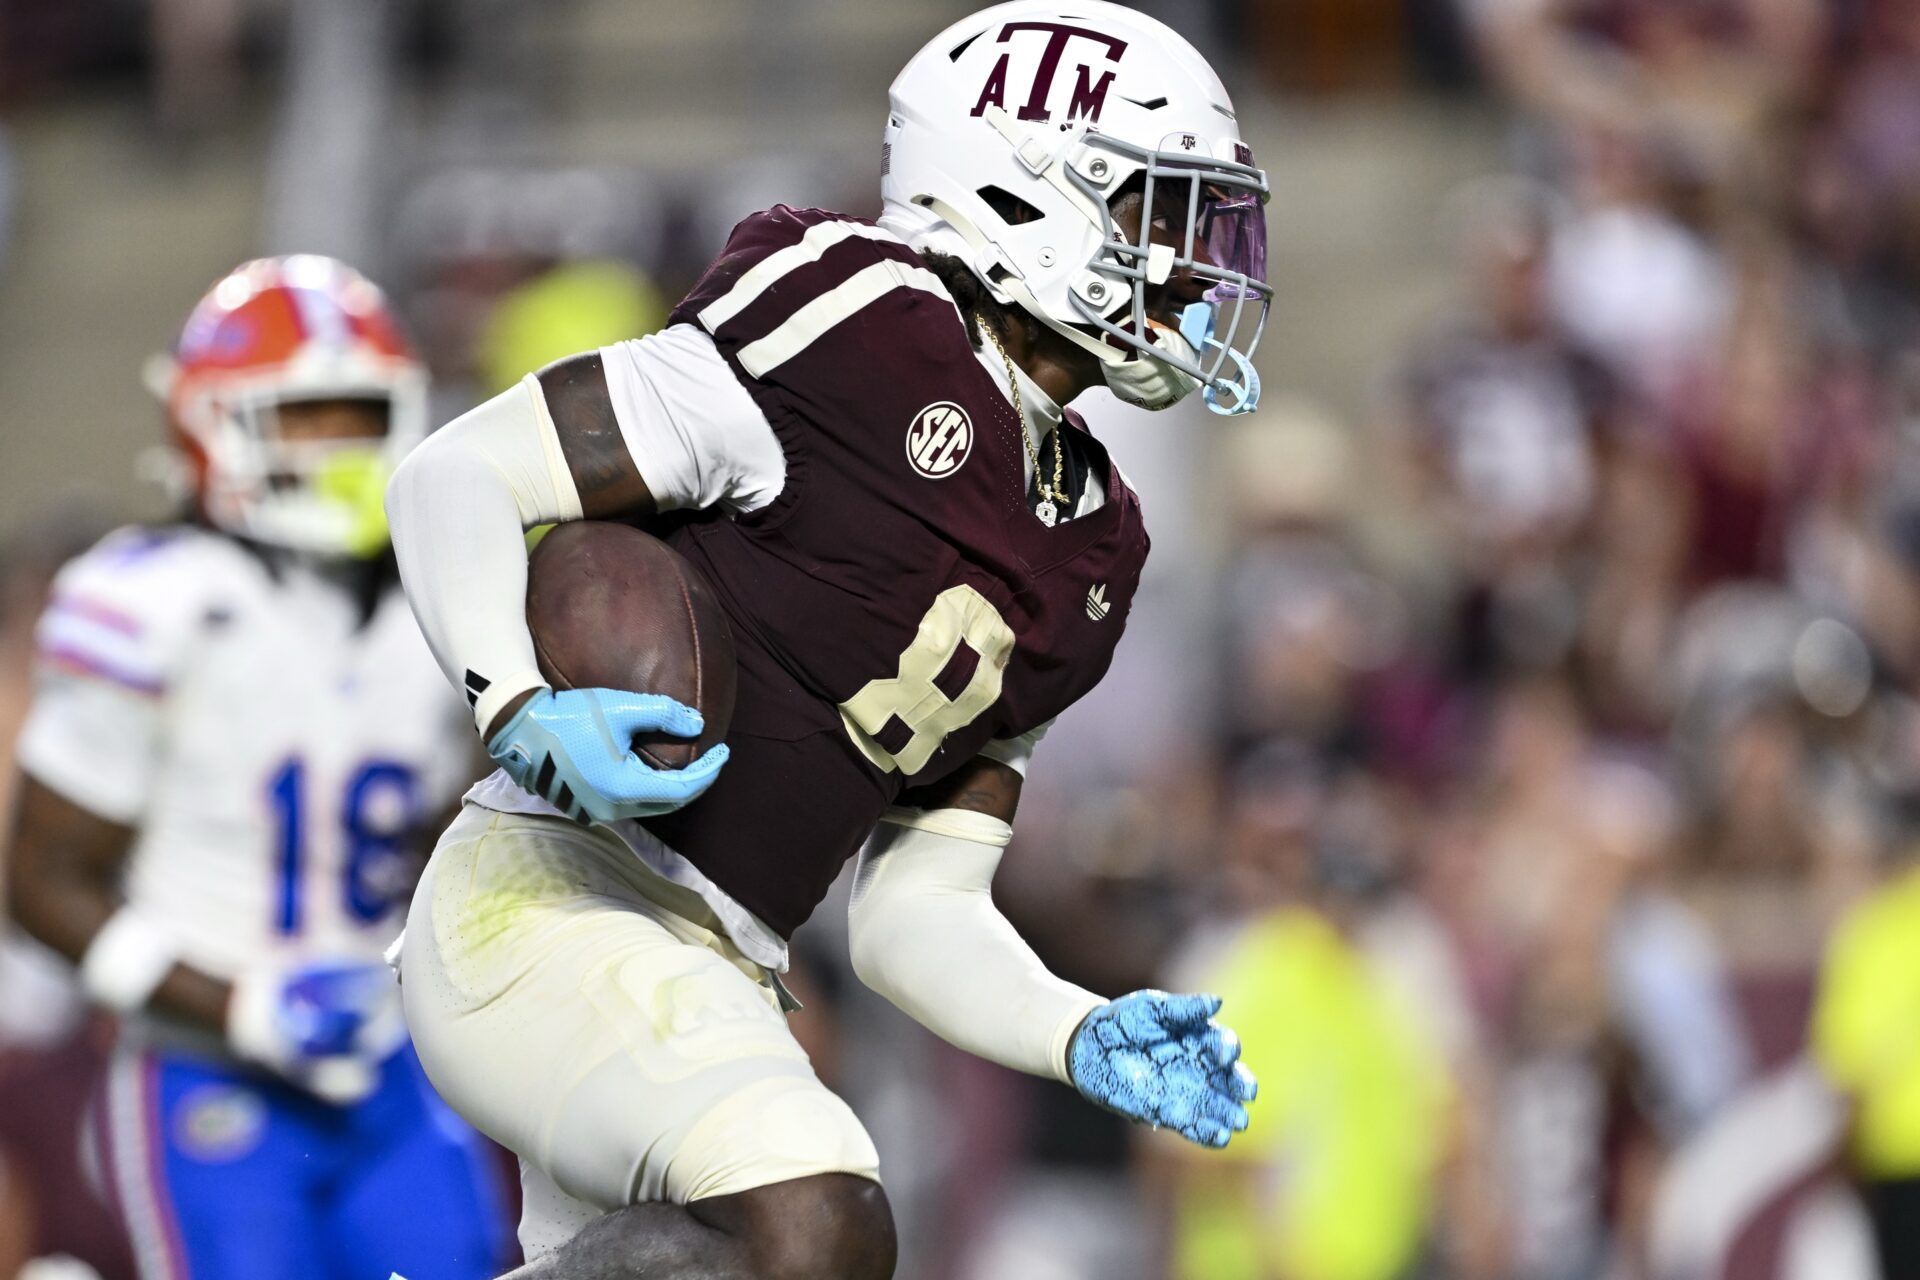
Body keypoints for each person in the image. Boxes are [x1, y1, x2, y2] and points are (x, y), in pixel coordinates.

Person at [384, 2, 1267, 1275]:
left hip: (719, 970)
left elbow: (914, 912)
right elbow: (459, 475)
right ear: (1018, 190)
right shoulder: (857, 320)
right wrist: (514, 698)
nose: (1192, 265)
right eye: (1154, 213)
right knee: (818, 1215)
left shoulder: (1095, 556)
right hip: (543, 905)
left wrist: (1075, 1028)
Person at [4, 256, 510, 1279]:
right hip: (204, 1066)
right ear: (215, 426)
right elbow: (42, 881)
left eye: (358, 415)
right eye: (306, 417)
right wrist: (242, 1004)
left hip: (391, 1058)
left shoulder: (443, 597)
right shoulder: (149, 604)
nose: (338, 448)